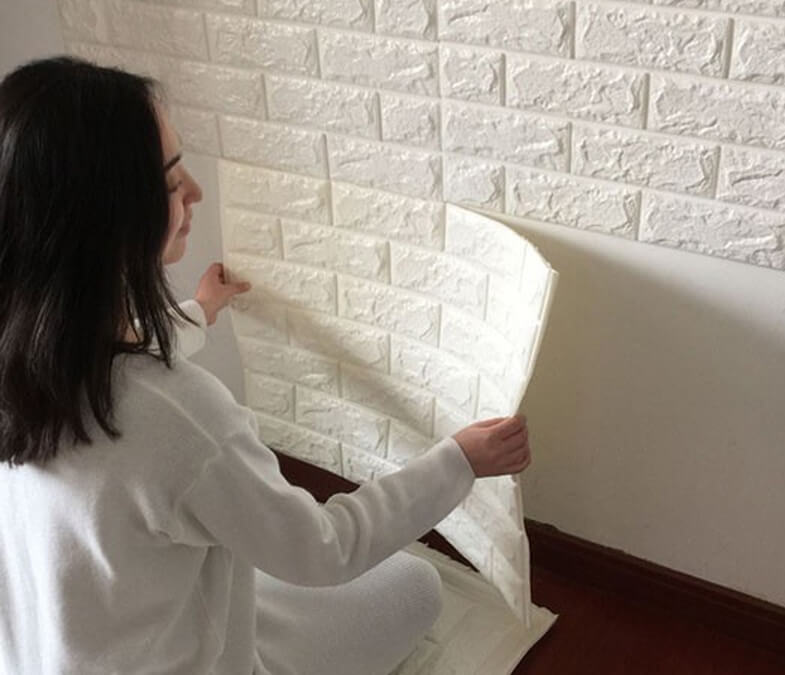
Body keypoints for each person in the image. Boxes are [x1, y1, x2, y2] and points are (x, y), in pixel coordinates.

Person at [0, 56, 531, 675]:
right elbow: (324, 549)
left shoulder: (28, 356)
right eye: (171, 182)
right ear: (111, 220)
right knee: (415, 586)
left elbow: (114, 365)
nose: (196, 191)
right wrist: (459, 461)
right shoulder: (181, 417)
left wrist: (200, 311)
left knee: (238, 559)